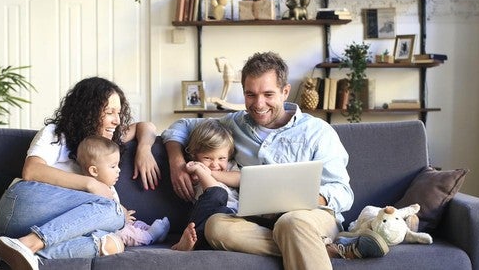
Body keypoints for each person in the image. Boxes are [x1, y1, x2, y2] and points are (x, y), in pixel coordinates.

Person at [163, 52, 389, 270]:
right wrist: (176, 162)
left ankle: (308, 238)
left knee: (291, 223)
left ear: (285, 92)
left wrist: (303, 198)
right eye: (250, 94)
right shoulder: (234, 124)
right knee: (215, 227)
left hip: (309, 218)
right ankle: (327, 249)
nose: (259, 104)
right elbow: (181, 126)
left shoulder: (317, 131)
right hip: (254, 221)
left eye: (268, 94)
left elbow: (342, 192)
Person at [0, 77, 160, 270]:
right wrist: (91, 185)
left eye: (119, 112)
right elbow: (31, 170)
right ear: (88, 111)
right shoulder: (56, 134)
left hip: (44, 228)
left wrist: (143, 149)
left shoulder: (105, 143)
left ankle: (0, 248)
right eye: (110, 112)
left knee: (112, 243)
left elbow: (146, 127)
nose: (117, 120)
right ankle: (30, 244)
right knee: (115, 211)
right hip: (20, 207)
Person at [76, 135, 170, 247]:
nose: (119, 170)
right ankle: (150, 236)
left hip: (118, 223)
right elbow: (100, 215)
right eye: (113, 167)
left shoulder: (108, 186)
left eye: (118, 165)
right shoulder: (91, 191)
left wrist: (123, 212)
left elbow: (114, 204)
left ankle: (155, 232)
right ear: (94, 171)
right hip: (108, 230)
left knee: (136, 224)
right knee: (127, 234)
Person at [169, 119, 239, 252]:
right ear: (194, 155)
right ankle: (189, 243)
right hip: (208, 218)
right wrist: (201, 172)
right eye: (207, 158)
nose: (215, 164)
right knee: (218, 195)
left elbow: (240, 179)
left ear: (228, 155)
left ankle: (198, 244)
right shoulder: (193, 169)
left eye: (221, 158)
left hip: (234, 218)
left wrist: (209, 172)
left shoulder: (229, 167)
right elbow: (214, 191)